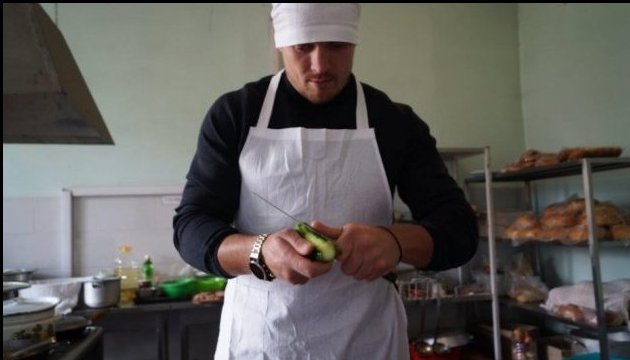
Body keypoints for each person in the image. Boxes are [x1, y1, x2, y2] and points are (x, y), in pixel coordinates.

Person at [173, 3, 478, 359]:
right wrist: (260, 252)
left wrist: (396, 242)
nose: (320, 65)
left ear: (354, 42)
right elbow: (191, 227)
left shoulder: (394, 122)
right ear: (281, 43)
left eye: (336, 45)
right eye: (304, 47)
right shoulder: (236, 114)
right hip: (263, 340)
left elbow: (459, 230)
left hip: (367, 340)